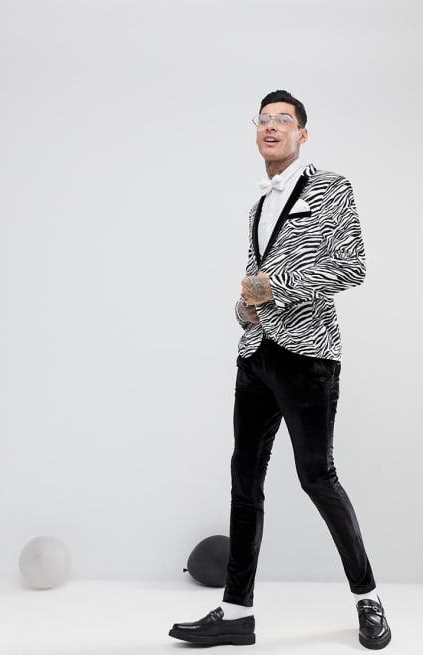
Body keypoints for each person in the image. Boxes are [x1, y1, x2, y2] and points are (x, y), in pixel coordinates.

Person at [168, 90, 391, 650]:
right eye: (263, 119)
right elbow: (252, 283)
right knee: (245, 481)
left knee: (317, 477)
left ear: (302, 134)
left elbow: (353, 266)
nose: (271, 127)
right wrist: (244, 309)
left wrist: (279, 289)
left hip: (309, 355)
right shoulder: (257, 206)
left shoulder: (330, 187)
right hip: (256, 355)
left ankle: (367, 599)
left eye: (283, 120)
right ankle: (235, 612)